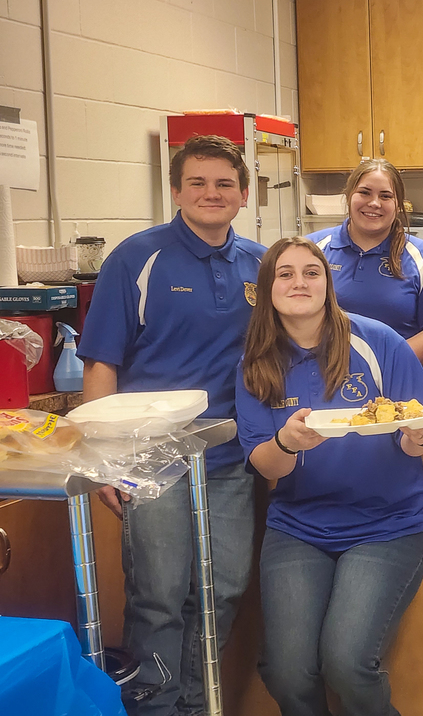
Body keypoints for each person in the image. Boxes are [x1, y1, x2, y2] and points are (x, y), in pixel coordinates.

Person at [77, 135, 266, 716]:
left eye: (224, 183)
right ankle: (157, 710)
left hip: (231, 458)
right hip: (151, 459)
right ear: (176, 190)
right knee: (158, 596)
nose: (211, 193)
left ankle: (193, 704)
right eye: (198, 182)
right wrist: (105, 459)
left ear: (244, 192)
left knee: (222, 590)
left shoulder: (261, 262)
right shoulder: (137, 258)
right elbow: (101, 361)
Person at [235, 236, 423, 716]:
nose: (299, 282)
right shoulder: (255, 363)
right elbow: (265, 465)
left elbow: (412, 436)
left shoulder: (377, 341)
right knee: (286, 671)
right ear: (267, 289)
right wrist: (287, 442)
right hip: (299, 526)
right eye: (285, 274)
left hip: (387, 526)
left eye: (311, 272)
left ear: (327, 284)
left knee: (347, 663)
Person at [309, 159, 423, 365]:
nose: (374, 203)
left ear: (398, 204)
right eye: (365, 192)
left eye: (385, 196)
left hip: (397, 377)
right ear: (349, 196)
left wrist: (381, 365)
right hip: (323, 374)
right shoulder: (313, 250)